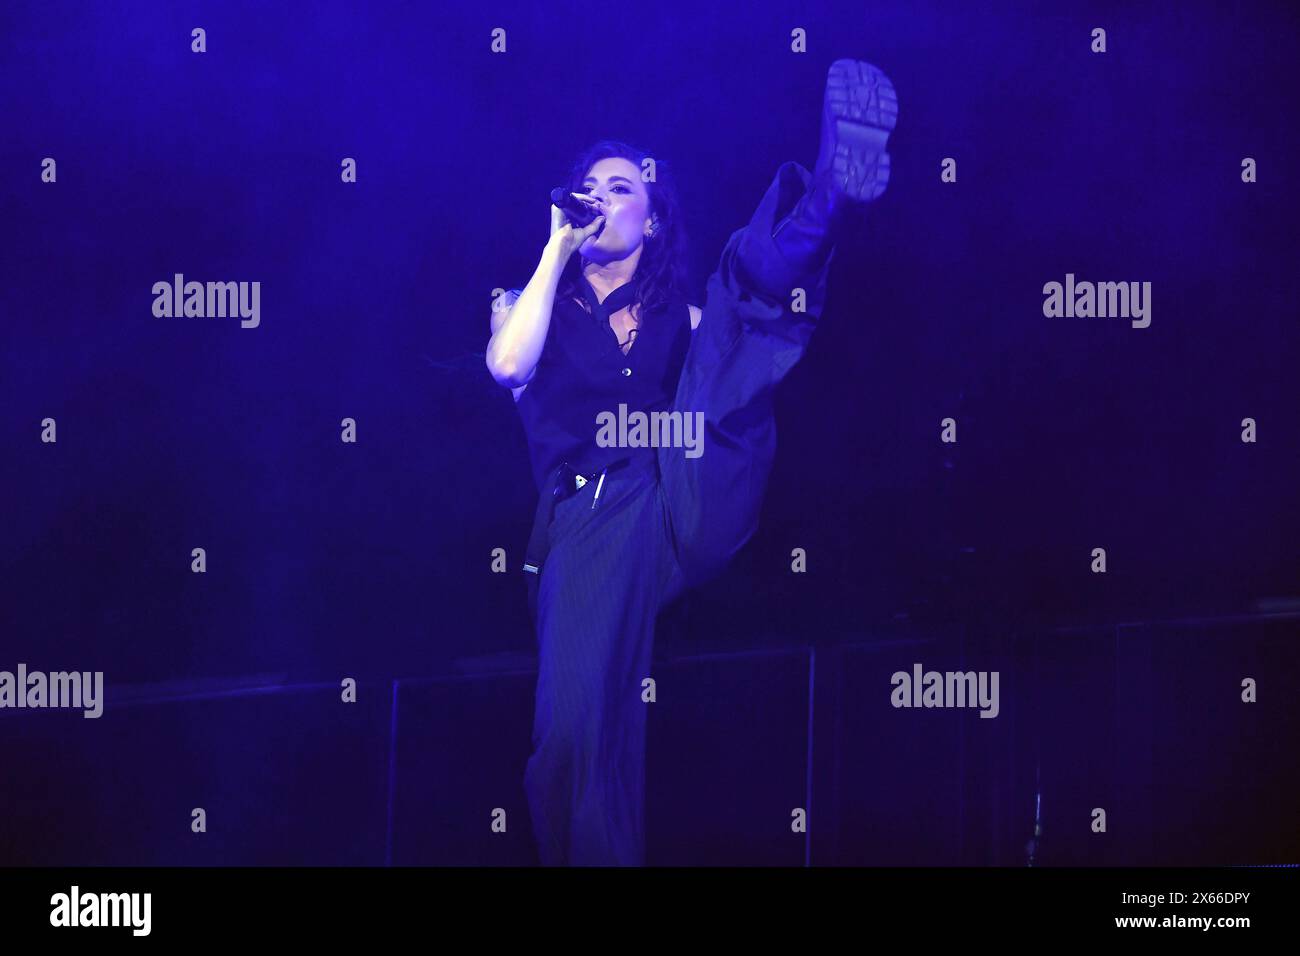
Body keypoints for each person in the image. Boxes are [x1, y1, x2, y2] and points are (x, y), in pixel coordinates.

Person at [486, 59, 897, 865]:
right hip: (590, 520)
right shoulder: (533, 303)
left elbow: (753, 349)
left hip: (688, 490)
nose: (603, 199)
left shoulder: (685, 313)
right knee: (575, 731)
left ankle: (828, 200)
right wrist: (554, 249)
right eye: (591, 188)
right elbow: (507, 368)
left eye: (622, 189)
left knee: (739, 308)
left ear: (654, 219)